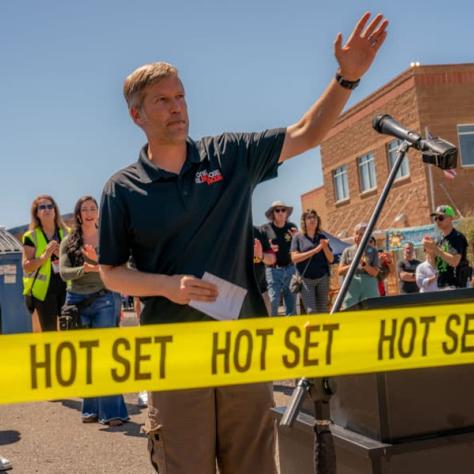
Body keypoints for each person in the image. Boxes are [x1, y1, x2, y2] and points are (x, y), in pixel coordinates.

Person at [98, 12, 388, 474]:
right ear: (137, 114)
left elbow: (305, 133)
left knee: (253, 465)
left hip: (241, 347)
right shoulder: (122, 188)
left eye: (180, 96)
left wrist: (347, 77)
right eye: (162, 100)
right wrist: (167, 286)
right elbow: (110, 272)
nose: (177, 107)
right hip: (174, 353)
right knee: (184, 464)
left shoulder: (228, 156)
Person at [59, 196, 129, 426]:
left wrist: (96, 262)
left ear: (98, 213)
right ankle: (90, 409)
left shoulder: (108, 238)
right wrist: (84, 268)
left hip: (104, 299)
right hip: (76, 302)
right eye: (84, 209)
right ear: (78, 215)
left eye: (93, 208)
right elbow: (64, 273)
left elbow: (119, 268)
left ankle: (113, 413)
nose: (89, 212)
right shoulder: (69, 241)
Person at [22, 195, 68, 331]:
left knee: (71, 331)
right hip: (43, 293)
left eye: (50, 206)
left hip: (68, 289)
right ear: (37, 213)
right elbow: (27, 266)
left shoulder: (68, 233)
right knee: (50, 333)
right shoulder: (30, 236)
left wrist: (62, 255)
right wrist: (44, 256)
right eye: (42, 207)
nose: (47, 209)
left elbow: (75, 261)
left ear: (55, 210)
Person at [290, 209, 333, 313]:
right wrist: (315, 250)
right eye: (309, 217)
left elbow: (331, 259)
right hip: (306, 280)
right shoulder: (297, 237)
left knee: (323, 309)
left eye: (314, 217)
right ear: (304, 221)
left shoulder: (322, 237)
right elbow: (294, 258)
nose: (312, 219)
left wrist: (324, 247)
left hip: (323, 278)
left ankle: (323, 329)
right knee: (311, 311)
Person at [261, 201, 298, 315]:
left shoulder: (292, 228)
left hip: (290, 269)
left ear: (287, 213)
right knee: (273, 302)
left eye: (283, 210)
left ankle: (291, 330)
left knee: (291, 304)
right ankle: (273, 329)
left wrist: (297, 239)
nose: (281, 212)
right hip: (273, 270)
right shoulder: (265, 228)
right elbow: (257, 248)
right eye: (277, 210)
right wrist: (268, 247)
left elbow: (298, 247)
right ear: (273, 213)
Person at [424, 205, 470, 289]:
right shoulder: (438, 239)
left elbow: (454, 261)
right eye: (436, 218)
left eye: (441, 218)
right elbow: (435, 265)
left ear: (451, 218)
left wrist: (435, 249)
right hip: (442, 285)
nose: (437, 221)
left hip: (458, 286)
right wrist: (430, 252)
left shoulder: (457, 237)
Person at [339, 223, 380, 309]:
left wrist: (364, 265)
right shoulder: (347, 251)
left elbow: (375, 273)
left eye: (361, 234)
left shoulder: (373, 251)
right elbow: (340, 271)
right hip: (352, 285)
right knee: (351, 311)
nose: (357, 236)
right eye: (355, 233)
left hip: (368, 285)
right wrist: (353, 264)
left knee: (371, 311)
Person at [253, 225, 276, 315]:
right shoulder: (225, 231)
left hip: (261, 292)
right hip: (233, 295)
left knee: (265, 327)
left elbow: (272, 259)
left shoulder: (259, 232)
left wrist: (261, 255)